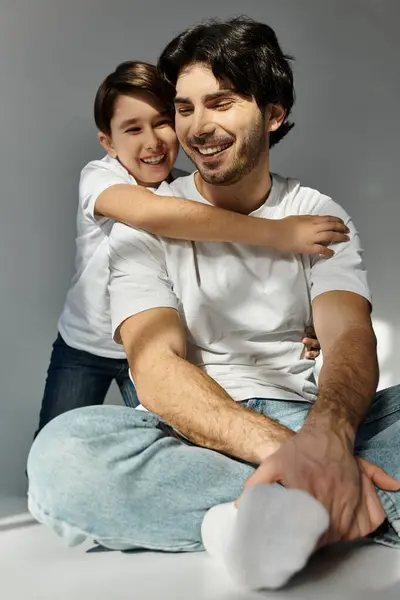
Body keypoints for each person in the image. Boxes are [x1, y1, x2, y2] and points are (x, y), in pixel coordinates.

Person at [28, 17, 400, 591]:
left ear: (273, 114)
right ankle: (340, 498)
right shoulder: (143, 217)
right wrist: (297, 454)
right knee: (64, 458)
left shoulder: (316, 213)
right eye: (185, 108)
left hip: (317, 417)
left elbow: (350, 336)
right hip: (195, 432)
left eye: (220, 103)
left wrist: (325, 437)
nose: (196, 127)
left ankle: (264, 516)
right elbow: (155, 369)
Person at [35, 60, 336, 434]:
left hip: (164, 348)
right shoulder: (100, 178)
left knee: (185, 438)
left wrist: (307, 316)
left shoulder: (189, 190)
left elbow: (232, 258)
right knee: (55, 444)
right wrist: (277, 232)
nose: (153, 141)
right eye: (133, 129)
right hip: (87, 344)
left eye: (162, 122)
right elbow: (153, 212)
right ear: (108, 143)